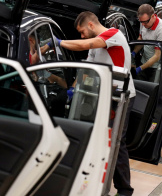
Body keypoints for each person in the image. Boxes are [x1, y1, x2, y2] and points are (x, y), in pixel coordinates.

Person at [56, 11, 136, 196]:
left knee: (116, 141)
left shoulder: (112, 34)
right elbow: (87, 69)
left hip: (121, 97)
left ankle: (124, 190)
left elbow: (86, 44)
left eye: (82, 31)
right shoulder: (94, 44)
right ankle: (96, 182)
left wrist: (59, 43)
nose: (82, 36)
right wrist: (73, 89)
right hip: (101, 96)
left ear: (91, 25)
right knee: (98, 138)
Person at [132, 4, 162, 82]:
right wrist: (134, 52)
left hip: (157, 67)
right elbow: (141, 39)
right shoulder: (143, 22)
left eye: (145, 22)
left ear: (153, 16)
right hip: (144, 62)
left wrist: (140, 68)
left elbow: (157, 56)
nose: (143, 24)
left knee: (151, 90)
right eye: (141, 22)